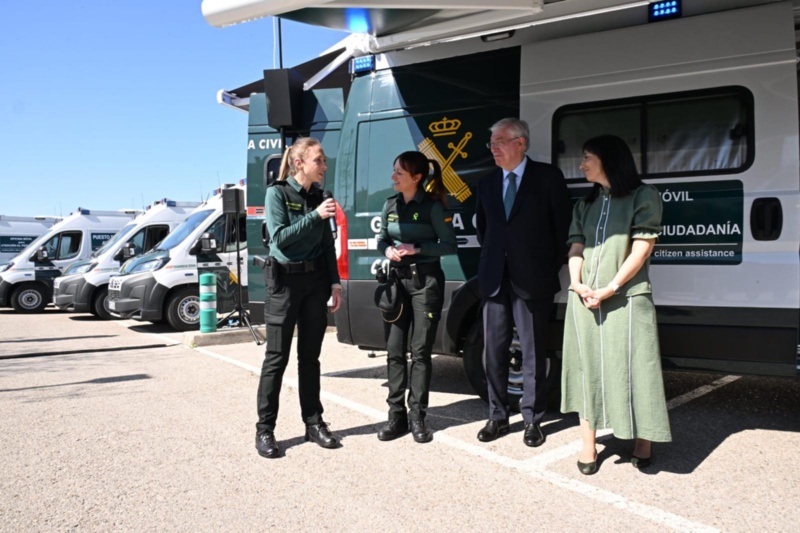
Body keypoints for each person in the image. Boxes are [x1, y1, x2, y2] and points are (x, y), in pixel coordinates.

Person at [561, 134, 672, 475]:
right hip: (584, 300)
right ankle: (587, 446)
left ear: (608, 159)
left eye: (586, 158)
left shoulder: (644, 196)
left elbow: (642, 249)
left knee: (636, 369)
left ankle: (643, 442)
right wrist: (577, 284)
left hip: (627, 300)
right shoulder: (585, 204)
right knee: (586, 370)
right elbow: (575, 248)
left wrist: (610, 288)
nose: (581, 165)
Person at [475, 118, 572, 447]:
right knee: (493, 353)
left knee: (532, 354)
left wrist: (546, 269)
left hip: (533, 281)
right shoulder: (487, 183)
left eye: (500, 141)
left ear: (521, 143)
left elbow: (562, 229)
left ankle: (533, 420)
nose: (494, 147)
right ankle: (497, 417)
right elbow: (484, 229)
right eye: (492, 142)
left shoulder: (547, 178)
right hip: (494, 282)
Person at [255, 137, 342, 459]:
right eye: (319, 160)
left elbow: (326, 245)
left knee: (310, 358)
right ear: (299, 163)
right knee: (276, 359)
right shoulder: (277, 193)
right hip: (285, 284)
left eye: (323, 160)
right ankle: (265, 429)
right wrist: (314, 216)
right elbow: (280, 241)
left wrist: (335, 284)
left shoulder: (321, 196)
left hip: (316, 282)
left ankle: (314, 422)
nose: (324, 165)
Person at [376, 151, 457, 443]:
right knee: (394, 351)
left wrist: (417, 248)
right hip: (396, 284)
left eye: (399, 172)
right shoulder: (389, 204)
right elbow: (382, 237)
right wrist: (386, 249)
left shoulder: (433, 207)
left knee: (420, 352)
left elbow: (449, 246)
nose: (393, 176)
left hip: (426, 284)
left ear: (417, 178)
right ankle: (395, 417)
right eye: (394, 170)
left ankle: (418, 417)